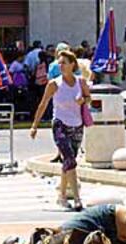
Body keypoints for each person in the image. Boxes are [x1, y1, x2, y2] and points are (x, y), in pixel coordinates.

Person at [30, 50, 91, 211]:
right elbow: (43, 104)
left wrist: (83, 100)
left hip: (77, 125)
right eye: (59, 62)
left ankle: (61, 195)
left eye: (64, 62)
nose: (61, 65)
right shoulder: (54, 84)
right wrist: (34, 125)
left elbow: (89, 98)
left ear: (72, 64)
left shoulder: (81, 82)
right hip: (60, 124)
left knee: (68, 161)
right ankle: (77, 199)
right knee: (70, 159)